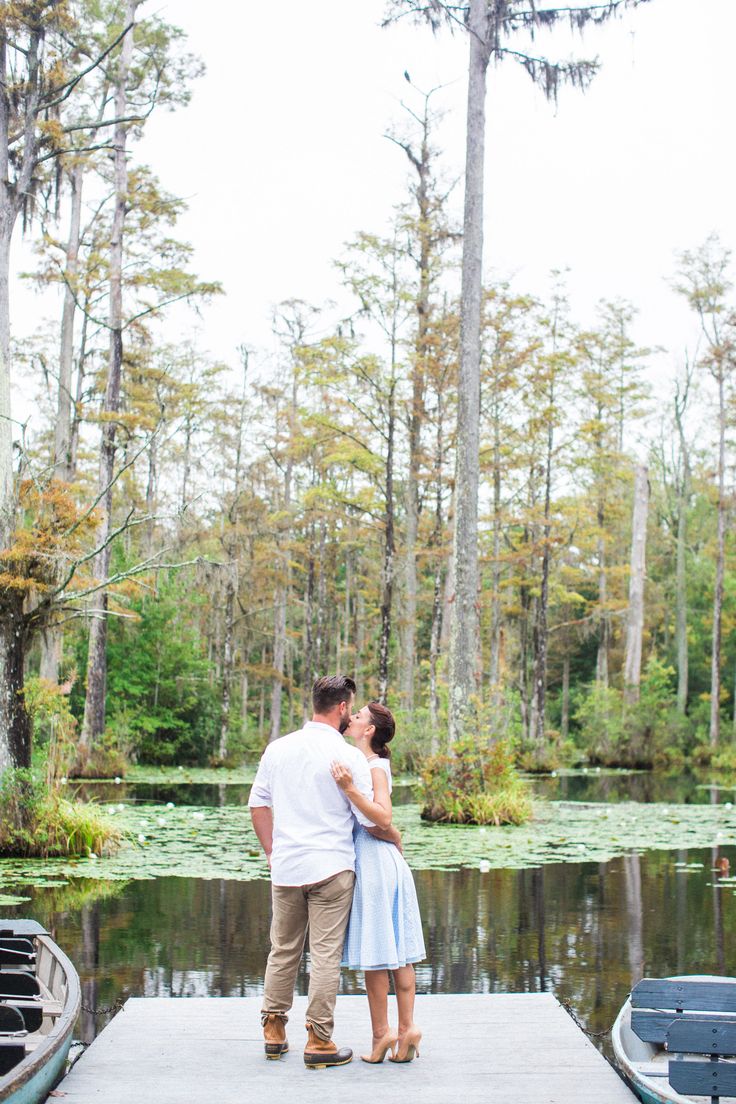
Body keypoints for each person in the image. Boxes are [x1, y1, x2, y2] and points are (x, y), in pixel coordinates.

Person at [249, 674, 388, 1069]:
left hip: (288, 866)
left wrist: (272, 852)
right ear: (343, 708)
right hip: (331, 867)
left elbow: (258, 805)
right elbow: (371, 819)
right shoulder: (348, 756)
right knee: (324, 955)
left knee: (283, 950)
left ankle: (273, 1032)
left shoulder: (279, 748)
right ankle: (319, 1041)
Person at [330, 701, 425, 1064]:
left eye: (358, 717)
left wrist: (349, 789)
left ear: (368, 730)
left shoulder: (372, 767)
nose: (351, 719)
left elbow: (382, 818)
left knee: (377, 954)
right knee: (397, 950)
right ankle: (407, 1031)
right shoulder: (373, 763)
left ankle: (382, 1036)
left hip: (375, 863)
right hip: (386, 862)